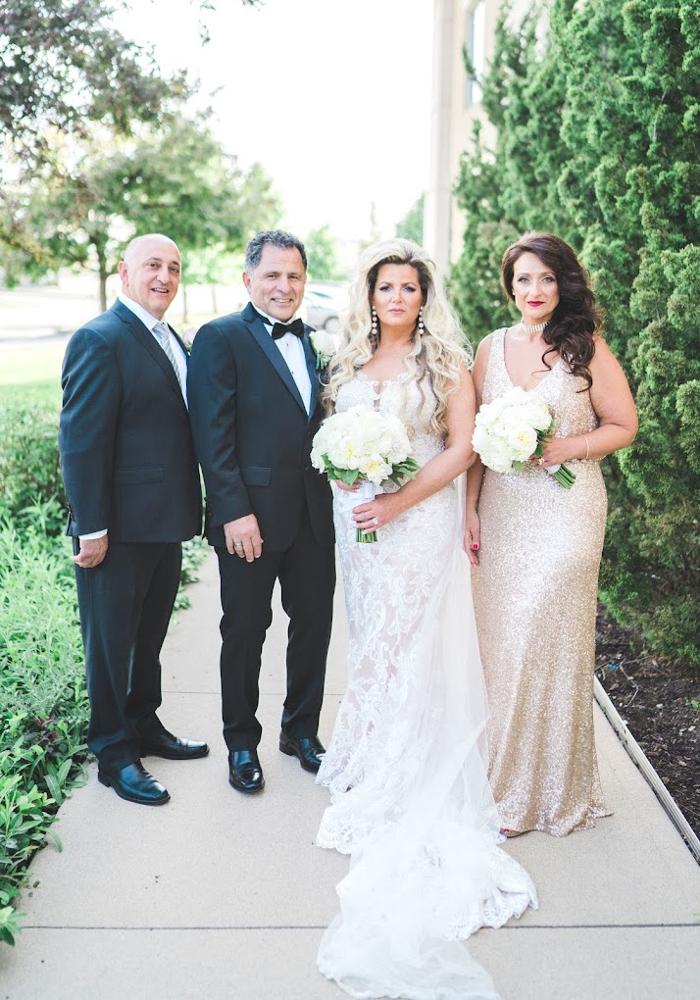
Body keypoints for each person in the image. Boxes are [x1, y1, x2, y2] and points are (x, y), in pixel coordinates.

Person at [315, 239, 536, 1000]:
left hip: (418, 520)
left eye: (409, 288)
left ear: (424, 296)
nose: (397, 298)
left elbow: (463, 448)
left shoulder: (444, 363)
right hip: (359, 524)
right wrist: (351, 478)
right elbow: (335, 441)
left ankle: (407, 762)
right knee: (373, 641)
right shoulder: (349, 360)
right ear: (370, 295)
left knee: (409, 641)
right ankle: (373, 746)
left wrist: (397, 502)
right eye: (387, 287)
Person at [466, 231, 638, 837]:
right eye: (523, 279)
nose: (534, 290)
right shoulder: (489, 349)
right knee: (503, 644)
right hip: (503, 513)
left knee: (542, 630)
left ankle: (533, 793)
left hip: (568, 510)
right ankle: (501, 776)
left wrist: (567, 447)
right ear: (510, 288)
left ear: (562, 284)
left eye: (545, 278)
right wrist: (470, 511)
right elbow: (475, 441)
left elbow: (624, 425)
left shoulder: (585, 348)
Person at [59, 233, 207, 807]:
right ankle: (114, 753)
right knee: (111, 645)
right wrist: (91, 526)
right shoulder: (100, 338)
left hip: (163, 523)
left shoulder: (169, 337)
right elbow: (81, 441)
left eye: (174, 267)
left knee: (147, 639)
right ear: (124, 272)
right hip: (117, 530)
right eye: (152, 265)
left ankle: (144, 723)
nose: (164, 276)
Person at [187, 230, 335, 795]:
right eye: (272, 275)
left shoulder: (316, 343)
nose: (284, 286)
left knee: (314, 627)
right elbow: (212, 435)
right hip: (249, 519)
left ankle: (300, 731)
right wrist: (234, 511)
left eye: (294, 275)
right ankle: (241, 743)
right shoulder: (220, 337)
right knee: (246, 631)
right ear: (248, 279)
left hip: (314, 516)